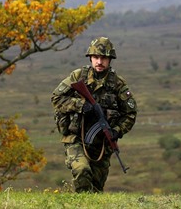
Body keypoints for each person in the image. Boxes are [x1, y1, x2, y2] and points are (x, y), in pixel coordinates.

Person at [50, 37, 137, 193]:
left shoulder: (117, 84)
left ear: (110, 60)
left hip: (102, 143)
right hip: (75, 138)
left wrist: (116, 130)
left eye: (104, 58)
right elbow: (57, 98)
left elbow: (130, 114)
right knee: (82, 170)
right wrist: (81, 105)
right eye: (96, 57)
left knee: (96, 189)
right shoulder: (78, 77)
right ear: (90, 58)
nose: (99, 61)